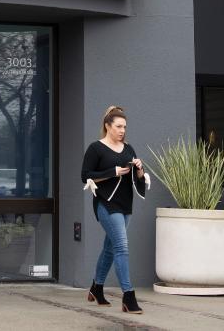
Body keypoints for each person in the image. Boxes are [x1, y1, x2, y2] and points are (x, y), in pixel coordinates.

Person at [80, 104, 149, 314]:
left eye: (124, 127)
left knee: (110, 249)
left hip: (125, 204)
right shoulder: (96, 148)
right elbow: (85, 176)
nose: (122, 130)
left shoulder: (128, 148)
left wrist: (140, 170)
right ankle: (128, 296)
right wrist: (113, 172)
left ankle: (96, 288)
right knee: (121, 247)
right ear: (107, 126)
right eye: (118, 126)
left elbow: (137, 178)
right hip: (106, 203)